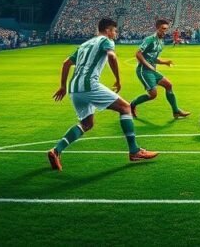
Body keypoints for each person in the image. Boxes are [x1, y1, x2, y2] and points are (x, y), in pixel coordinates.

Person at [48, 18, 158, 171]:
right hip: (89, 86)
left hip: (74, 88)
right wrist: (118, 80)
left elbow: (66, 63)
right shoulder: (106, 41)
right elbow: (112, 57)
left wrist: (62, 86)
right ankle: (134, 151)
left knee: (87, 124)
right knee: (126, 107)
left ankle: (56, 151)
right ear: (107, 30)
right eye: (114, 30)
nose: (116, 33)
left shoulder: (85, 44)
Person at [130, 19, 190, 119]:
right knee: (153, 95)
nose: (165, 31)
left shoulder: (160, 41)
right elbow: (138, 53)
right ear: (157, 28)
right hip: (143, 71)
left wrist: (165, 62)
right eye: (163, 29)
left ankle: (176, 111)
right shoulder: (150, 39)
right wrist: (147, 65)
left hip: (152, 71)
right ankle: (132, 105)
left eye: (166, 29)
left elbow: (153, 58)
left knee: (168, 85)